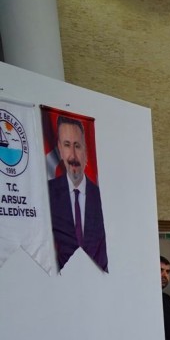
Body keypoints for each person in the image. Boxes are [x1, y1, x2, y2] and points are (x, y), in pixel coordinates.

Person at [49, 114, 108, 272]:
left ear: (86, 150)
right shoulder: (48, 194)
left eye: (77, 146)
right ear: (60, 149)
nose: (73, 156)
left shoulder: (100, 197)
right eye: (67, 145)